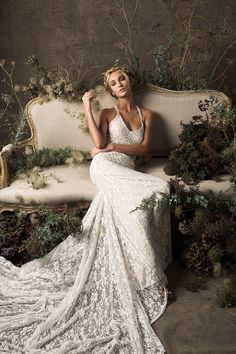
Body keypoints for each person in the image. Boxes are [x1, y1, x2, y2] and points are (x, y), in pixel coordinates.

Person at [0, 66, 172, 353]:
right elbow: (97, 145)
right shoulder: (106, 113)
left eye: (122, 79)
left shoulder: (149, 116)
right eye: (113, 83)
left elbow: (143, 150)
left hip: (123, 167)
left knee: (159, 190)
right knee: (143, 201)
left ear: (130, 81)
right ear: (110, 90)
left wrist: (112, 146)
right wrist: (86, 107)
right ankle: (149, 279)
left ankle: (146, 270)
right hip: (104, 166)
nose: (119, 84)